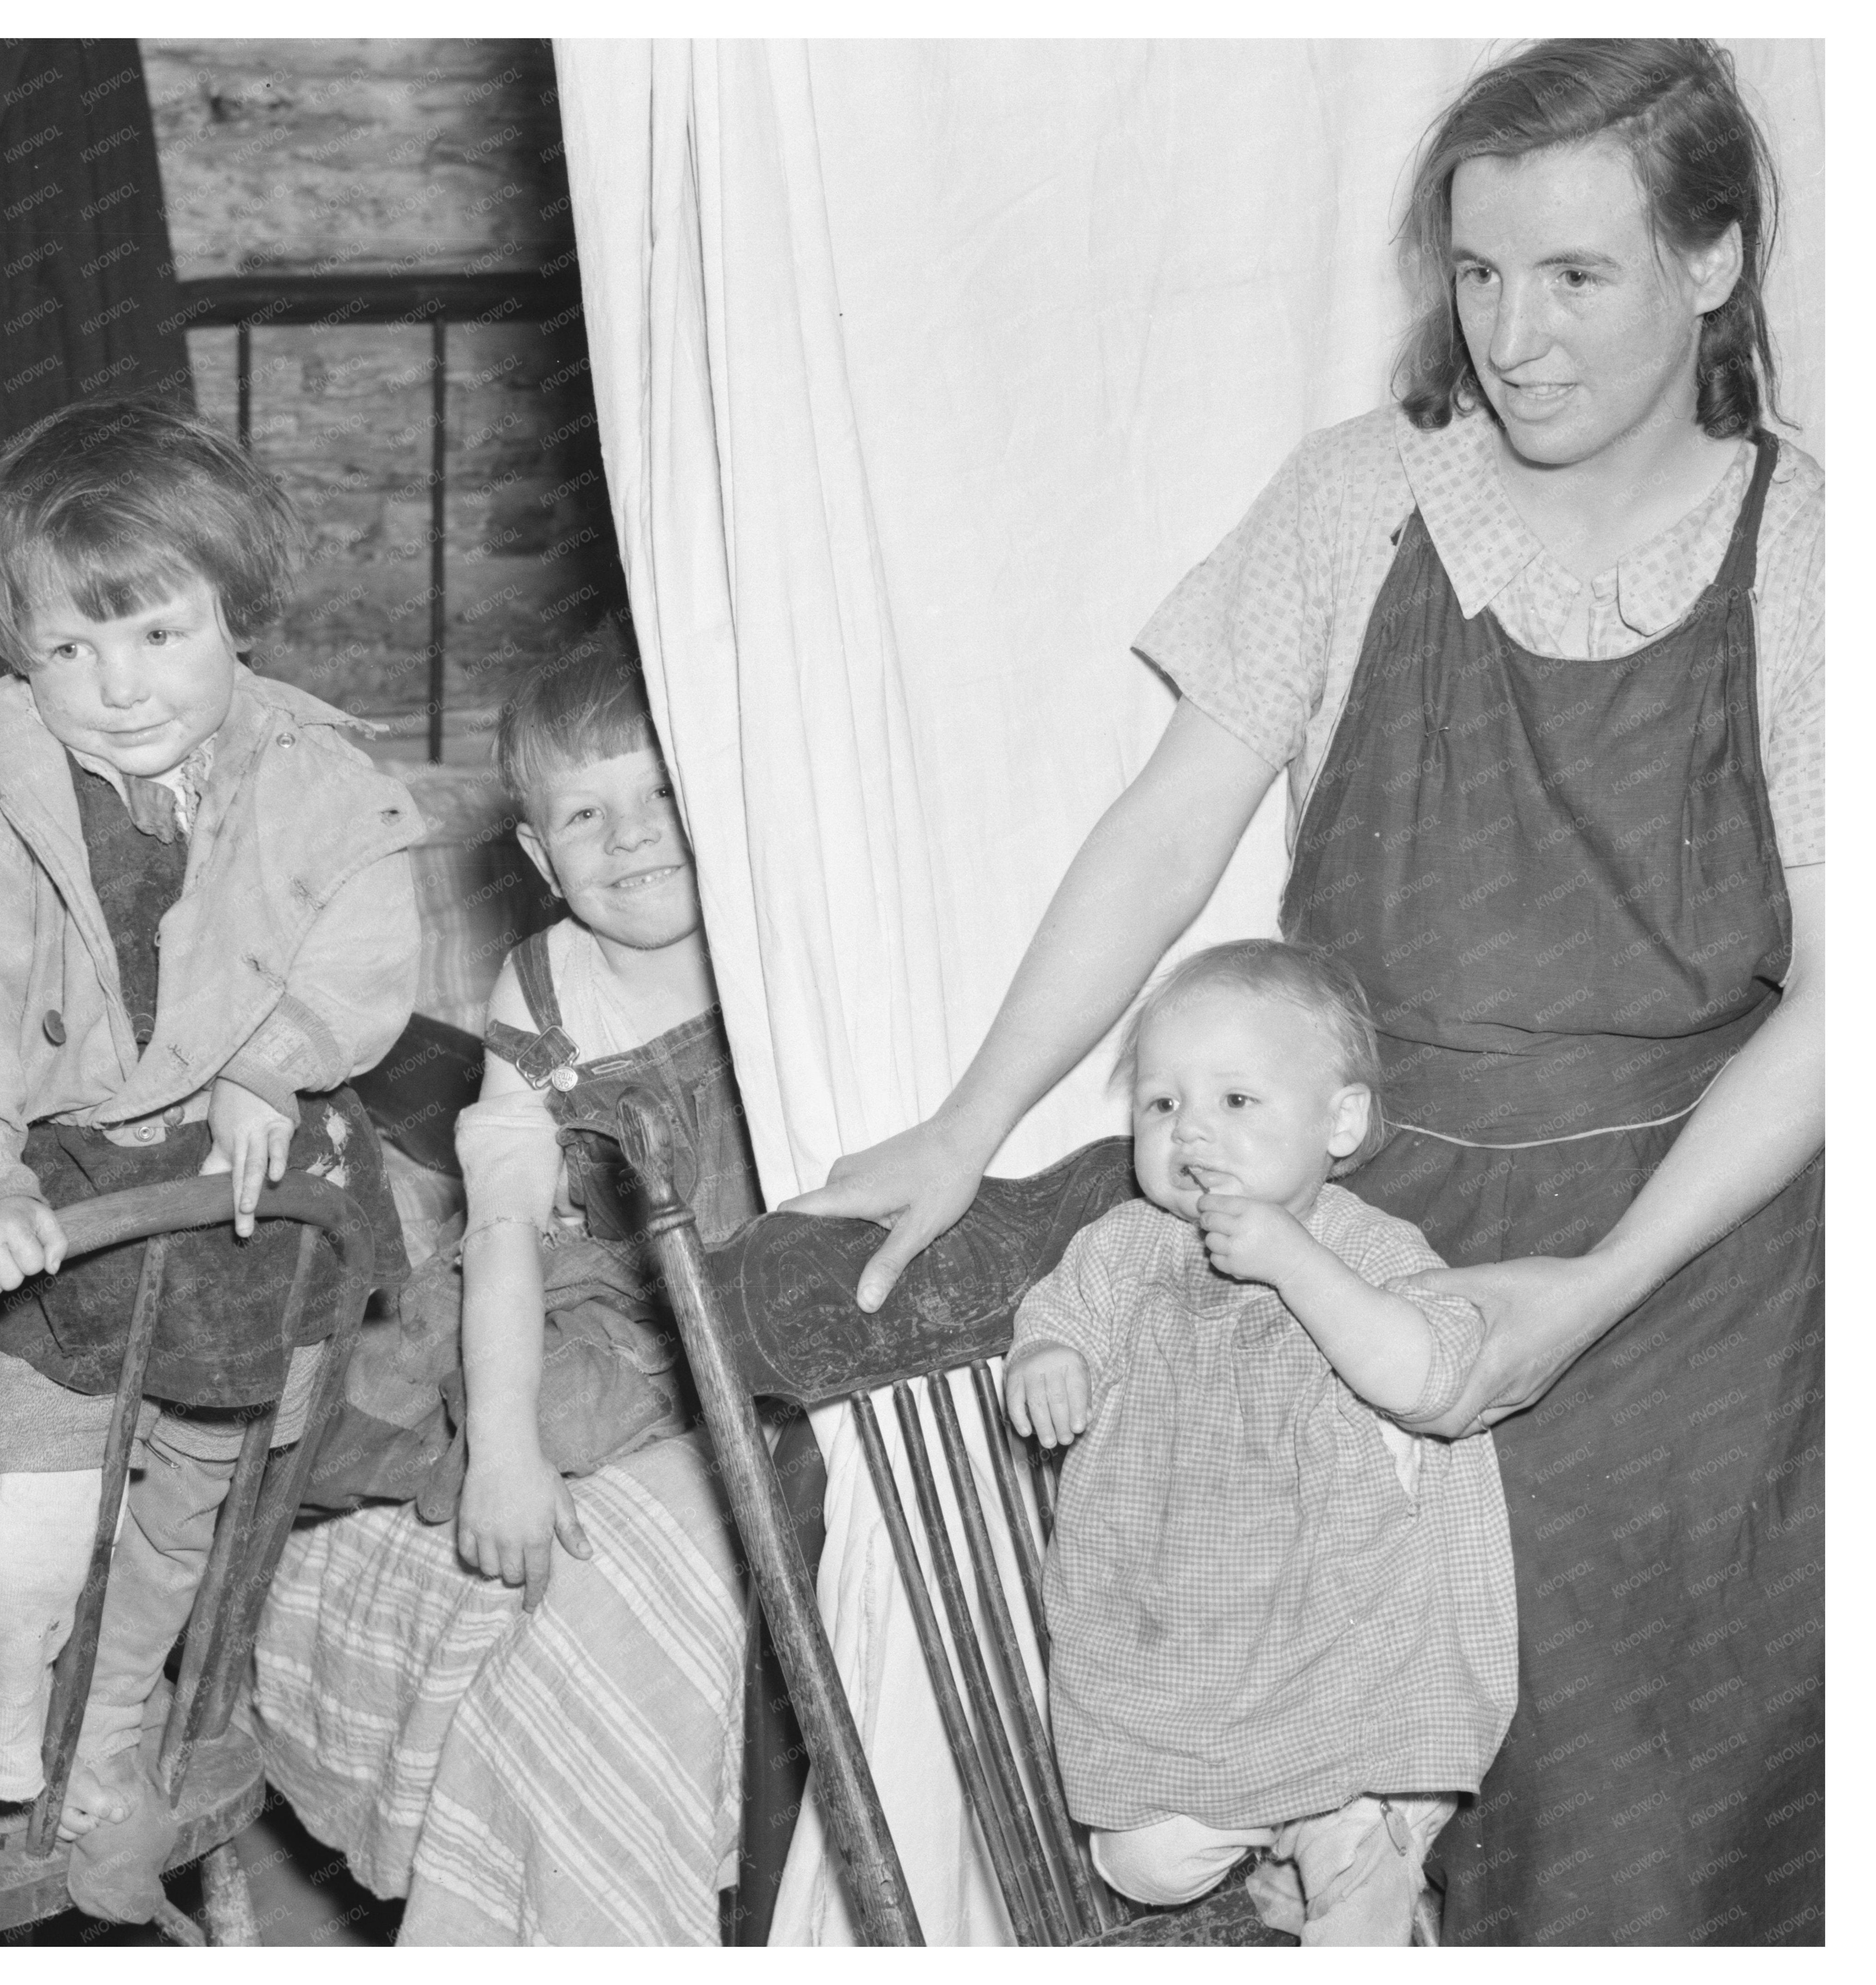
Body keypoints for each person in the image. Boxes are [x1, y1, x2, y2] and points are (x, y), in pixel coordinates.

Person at [791, 39, 1820, 1944]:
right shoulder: (1362, 502)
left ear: (1715, 261)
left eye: (1577, 276)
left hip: (1693, 1275)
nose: (1512, 336)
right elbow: (1169, 829)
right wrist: (965, 1126)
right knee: (1306, 1761)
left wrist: (1591, 1295)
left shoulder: (1814, 555)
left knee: (1651, 1818)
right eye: (1481, 273)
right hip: (1355, 1238)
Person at [0, 396, 422, 1920]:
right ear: (19, 656)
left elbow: (372, 941)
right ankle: (2, 1698)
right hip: (69, 1181)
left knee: (191, 1495)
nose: (115, 689)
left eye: (158, 636)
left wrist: (275, 1058)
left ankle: (109, 1726)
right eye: (68, 651)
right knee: (24, 1530)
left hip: (252, 1181)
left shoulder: (318, 768)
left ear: (234, 618)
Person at [1003, 940, 1514, 1944]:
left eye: (1236, 1101)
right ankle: (1293, 1833)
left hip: (1337, 1639)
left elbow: (1421, 1374)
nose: (1191, 1129)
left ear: (1341, 1120)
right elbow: (1058, 1316)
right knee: (1136, 1860)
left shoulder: (1368, 1247)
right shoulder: (1122, 1250)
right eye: (1162, 1104)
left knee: (1368, 1807)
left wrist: (1293, 1261)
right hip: (1179, 1651)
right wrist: (1046, 1361)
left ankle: (1349, 1843)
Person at [306, 641, 762, 1610]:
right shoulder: (542, 985)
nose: (632, 838)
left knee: (588, 1408)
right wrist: (504, 1453)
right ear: (538, 855)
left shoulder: (776, 941)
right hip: (625, 1301)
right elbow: (504, 1225)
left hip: (767, 1282)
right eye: (586, 815)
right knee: (388, 1372)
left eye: (663, 797)